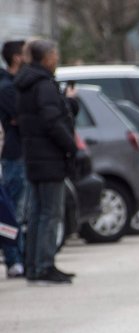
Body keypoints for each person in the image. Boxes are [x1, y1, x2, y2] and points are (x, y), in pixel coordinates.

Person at [14, 38, 78, 285]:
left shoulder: (24, 83)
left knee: (38, 213)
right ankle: (44, 266)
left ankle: (33, 266)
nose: (57, 59)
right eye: (54, 55)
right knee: (50, 213)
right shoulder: (43, 85)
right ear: (46, 58)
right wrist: (71, 147)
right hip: (49, 157)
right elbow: (52, 122)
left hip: (32, 155)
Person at [0, 40, 27, 278]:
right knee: (10, 211)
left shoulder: (18, 85)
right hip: (12, 157)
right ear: (17, 58)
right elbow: (24, 118)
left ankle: (19, 257)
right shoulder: (7, 87)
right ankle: (13, 259)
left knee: (16, 210)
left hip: (21, 154)